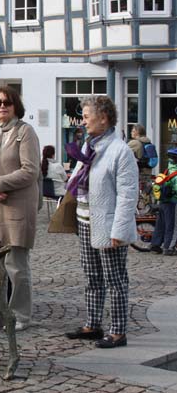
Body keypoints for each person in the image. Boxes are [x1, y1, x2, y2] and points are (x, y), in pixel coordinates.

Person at [64, 95, 138, 349]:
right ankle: (93, 324)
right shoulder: (89, 148)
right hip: (86, 221)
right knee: (92, 276)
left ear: (103, 118)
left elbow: (128, 194)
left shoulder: (120, 151)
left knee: (115, 280)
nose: (83, 122)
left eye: (87, 117)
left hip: (108, 226)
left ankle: (118, 332)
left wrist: (119, 229)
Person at [0, 86, 40, 332]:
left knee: (17, 267)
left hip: (15, 209)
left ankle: (20, 314)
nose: (2, 106)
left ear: (15, 106)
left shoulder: (25, 132)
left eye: (7, 102)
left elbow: (30, 170)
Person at [149, 148, 177, 256]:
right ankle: (168, 248)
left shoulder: (167, 170)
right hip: (172, 202)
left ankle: (155, 245)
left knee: (160, 224)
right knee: (172, 226)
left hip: (162, 201)